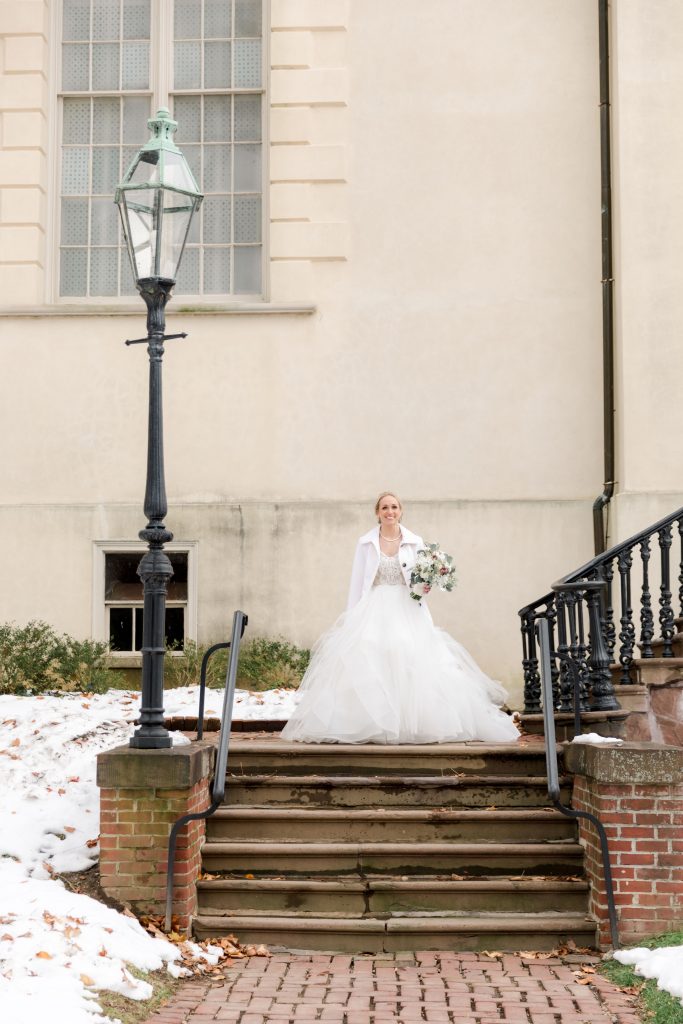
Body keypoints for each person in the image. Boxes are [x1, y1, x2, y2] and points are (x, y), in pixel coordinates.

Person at [281, 492, 520, 744]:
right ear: (377, 512)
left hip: (407, 608)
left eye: (394, 507)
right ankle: (371, 724)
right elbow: (357, 581)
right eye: (384, 507)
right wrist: (351, 618)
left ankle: (413, 725)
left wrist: (427, 584)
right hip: (374, 607)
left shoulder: (415, 542)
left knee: (409, 659)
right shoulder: (365, 543)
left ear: (400, 511)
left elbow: (421, 579)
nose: (389, 511)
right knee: (371, 658)